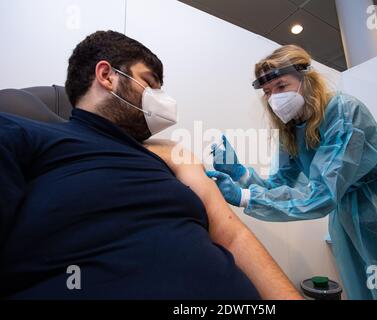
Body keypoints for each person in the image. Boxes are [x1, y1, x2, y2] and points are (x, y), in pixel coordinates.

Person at [0, 31, 301, 300]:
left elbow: (233, 235)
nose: (161, 99)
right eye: (150, 83)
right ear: (107, 75)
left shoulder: (171, 156)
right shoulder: (24, 133)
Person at [207, 44, 377, 300]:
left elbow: (322, 193)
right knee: (364, 287)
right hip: (347, 214)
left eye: (281, 86)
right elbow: (281, 184)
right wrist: (241, 174)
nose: (273, 98)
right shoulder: (291, 129)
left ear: (306, 79)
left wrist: (245, 197)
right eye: (267, 92)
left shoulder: (343, 112)